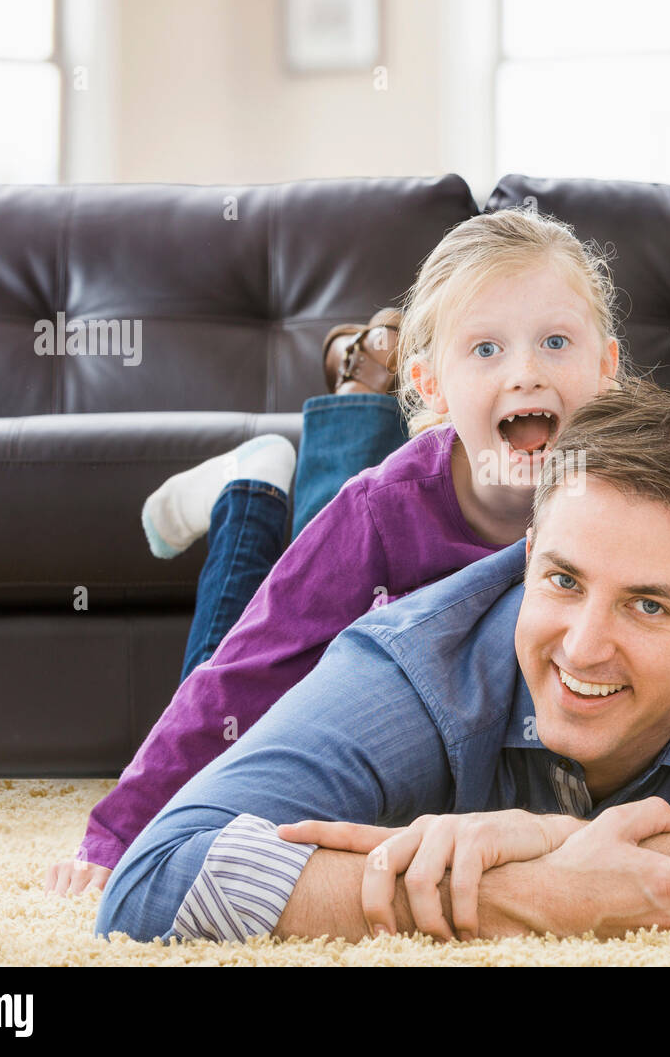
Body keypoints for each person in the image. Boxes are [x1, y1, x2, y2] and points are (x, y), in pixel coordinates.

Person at [94, 380, 670, 944]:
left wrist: (558, 848)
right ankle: (252, 491)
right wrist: (542, 894)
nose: (583, 647)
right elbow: (156, 879)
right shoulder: (413, 662)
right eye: (564, 579)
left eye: (649, 605)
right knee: (216, 656)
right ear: (530, 551)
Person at [45, 205, 629, 894]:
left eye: (557, 343)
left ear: (606, 367)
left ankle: (345, 394)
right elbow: (248, 669)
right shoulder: (378, 510)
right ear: (431, 385)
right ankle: (249, 494)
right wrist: (122, 835)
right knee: (238, 694)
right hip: (330, 674)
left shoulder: (628, 494)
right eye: (486, 349)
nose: (528, 372)